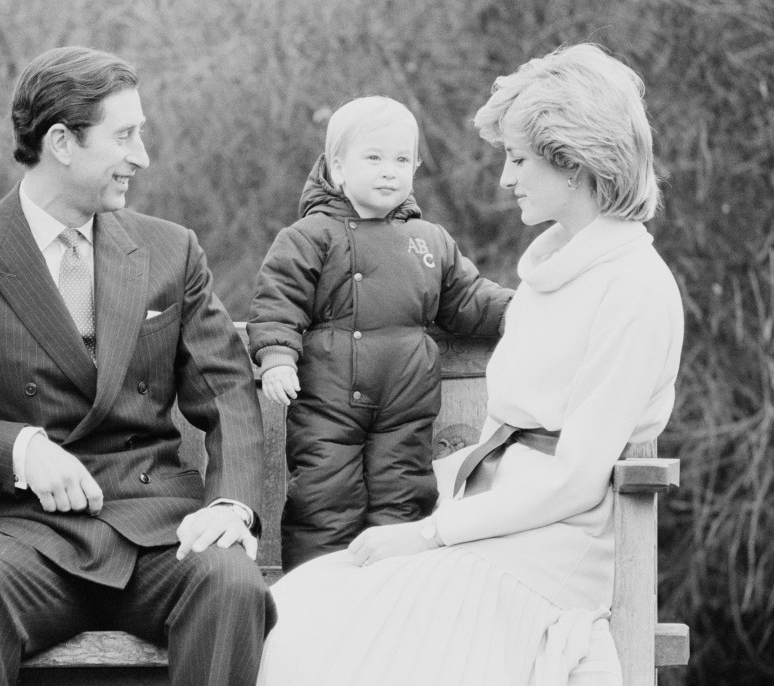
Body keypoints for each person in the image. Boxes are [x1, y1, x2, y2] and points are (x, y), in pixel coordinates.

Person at [256, 43, 684, 686]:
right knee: (291, 601)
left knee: (317, 628)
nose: (505, 179)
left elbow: (573, 478)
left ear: (573, 164)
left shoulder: (634, 289)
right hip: (488, 524)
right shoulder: (553, 274)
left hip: (547, 555)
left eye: (518, 160)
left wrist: (430, 535)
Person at [0, 46, 275, 686]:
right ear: (61, 141)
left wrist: (230, 506)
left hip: (159, 531)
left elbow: (227, 391)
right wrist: (20, 450)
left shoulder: (171, 251)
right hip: (31, 537)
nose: (141, 157)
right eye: (124, 136)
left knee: (231, 583)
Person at [247, 96, 513, 572]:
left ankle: (391, 593)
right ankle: (317, 592)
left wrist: (525, 311)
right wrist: (277, 356)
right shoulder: (309, 236)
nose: (389, 171)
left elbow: (469, 299)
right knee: (324, 498)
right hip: (328, 405)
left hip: (405, 407)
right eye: (373, 158)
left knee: (403, 495)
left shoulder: (429, 241)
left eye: (401, 160)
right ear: (337, 168)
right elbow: (277, 302)